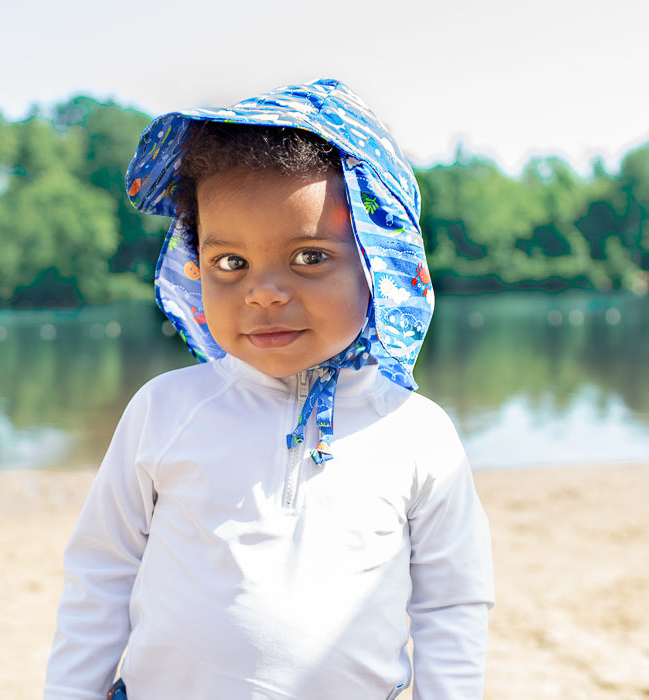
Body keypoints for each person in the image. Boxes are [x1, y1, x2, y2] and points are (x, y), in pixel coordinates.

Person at [44, 79, 494, 700]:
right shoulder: (165, 409)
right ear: (194, 262)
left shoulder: (417, 434)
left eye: (309, 257)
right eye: (231, 263)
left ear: (379, 259)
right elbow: (102, 571)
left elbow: (452, 603)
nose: (264, 293)